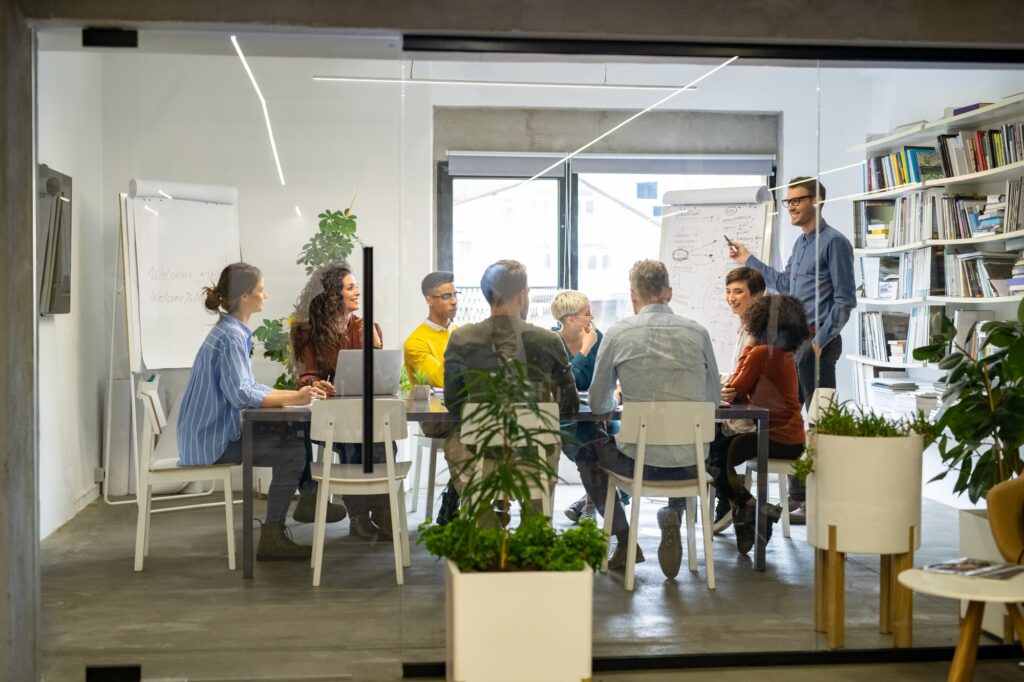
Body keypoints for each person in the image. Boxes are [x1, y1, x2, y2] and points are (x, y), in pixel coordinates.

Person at [176, 262, 339, 561]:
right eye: (261, 290)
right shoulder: (231, 337)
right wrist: (297, 397)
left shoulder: (230, 331)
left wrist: (301, 394)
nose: (266, 295)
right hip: (211, 443)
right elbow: (241, 395)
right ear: (244, 297)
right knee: (292, 451)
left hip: (206, 436)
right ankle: (277, 533)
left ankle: (308, 498)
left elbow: (250, 386)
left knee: (292, 433)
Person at [727, 177, 855, 521]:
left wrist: (817, 343)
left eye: (798, 200)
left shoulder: (835, 243)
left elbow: (845, 301)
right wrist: (749, 258)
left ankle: (818, 502)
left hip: (817, 345)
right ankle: (798, 496)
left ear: (818, 201)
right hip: (792, 344)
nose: (792, 207)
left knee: (819, 423)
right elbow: (783, 284)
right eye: (789, 202)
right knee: (788, 420)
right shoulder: (800, 245)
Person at [582, 259, 720, 579]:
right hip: (691, 465)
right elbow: (713, 400)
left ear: (634, 296)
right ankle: (673, 509)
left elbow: (598, 402)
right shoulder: (698, 333)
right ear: (668, 293)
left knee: (588, 451)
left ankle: (625, 537)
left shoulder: (617, 333)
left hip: (637, 465)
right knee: (685, 445)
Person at [443, 260, 579, 511]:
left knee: (455, 439)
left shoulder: (462, 338)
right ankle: (534, 525)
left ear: (487, 296)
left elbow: (454, 403)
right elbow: (569, 406)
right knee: (548, 440)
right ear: (522, 295)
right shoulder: (548, 340)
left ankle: (484, 523)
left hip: (478, 458)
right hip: (534, 458)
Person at [291, 262, 389, 541]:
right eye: (350, 287)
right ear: (333, 295)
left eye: (357, 286)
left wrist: (376, 346)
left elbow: (378, 376)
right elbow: (306, 375)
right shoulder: (308, 332)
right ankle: (359, 515)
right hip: (328, 416)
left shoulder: (363, 327)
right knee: (352, 439)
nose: (358, 292)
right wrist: (316, 383)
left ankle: (382, 511)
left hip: (360, 411)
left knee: (382, 438)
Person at [717, 295, 809, 554]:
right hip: (793, 439)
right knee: (720, 449)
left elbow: (734, 388)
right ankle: (749, 516)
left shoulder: (759, 353)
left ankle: (752, 509)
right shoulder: (784, 354)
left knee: (716, 455)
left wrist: (749, 345)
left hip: (775, 437)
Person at [709, 267, 766, 533]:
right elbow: (738, 375)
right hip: (746, 410)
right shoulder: (745, 326)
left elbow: (744, 377)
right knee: (706, 439)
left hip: (761, 419)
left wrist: (729, 386)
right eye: (729, 292)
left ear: (757, 295)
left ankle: (740, 501)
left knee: (708, 447)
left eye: (739, 292)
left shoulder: (759, 330)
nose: (731, 298)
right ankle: (735, 499)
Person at [403, 271, 460, 523]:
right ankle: (458, 497)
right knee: (478, 431)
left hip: (461, 411)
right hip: (435, 417)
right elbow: (440, 379)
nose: (454, 301)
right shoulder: (415, 342)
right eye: (446, 296)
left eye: (455, 294)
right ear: (429, 300)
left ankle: (455, 496)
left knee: (490, 427)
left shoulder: (458, 332)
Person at [549, 290, 604, 525]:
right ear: (570, 320)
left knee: (623, 446)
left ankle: (589, 501)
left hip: (598, 413)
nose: (591, 319)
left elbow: (605, 376)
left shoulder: (598, 337)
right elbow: (565, 384)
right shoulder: (551, 342)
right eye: (587, 314)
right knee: (587, 449)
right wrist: (584, 350)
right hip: (566, 416)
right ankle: (592, 502)